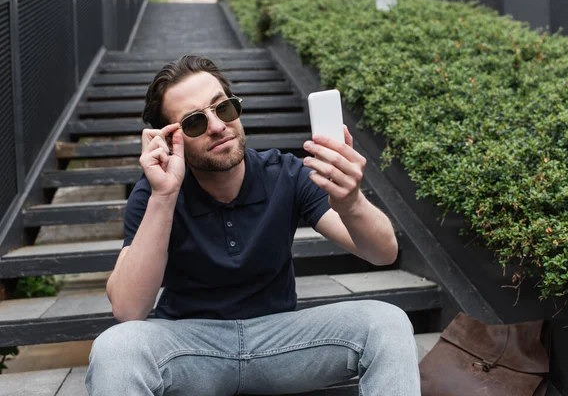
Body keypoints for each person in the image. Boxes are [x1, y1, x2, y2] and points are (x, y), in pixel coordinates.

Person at [86, 55, 420, 395]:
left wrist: (351, 201)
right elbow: (128, 309)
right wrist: (164, 195)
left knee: (387, 322)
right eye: (194, 123)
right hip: (190, 346)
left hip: (282, 342)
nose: (217, 126)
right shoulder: (156, 192)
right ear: (172, 139)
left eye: (224, 108)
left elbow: (383, 253)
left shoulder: (286, 173)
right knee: (116, 347)